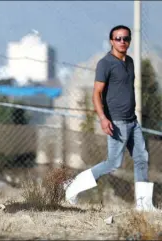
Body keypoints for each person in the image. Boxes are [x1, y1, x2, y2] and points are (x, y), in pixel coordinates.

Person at [64, 25, 159, 212]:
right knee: (113, 163)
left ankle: (144, 205)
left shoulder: (130, 62)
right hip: (116, 122)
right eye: (118, 38)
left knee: (141, 158)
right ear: (111, 41)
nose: (122, 42)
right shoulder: (105, 63)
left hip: (132, 121)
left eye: (126, 38)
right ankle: (73, 187)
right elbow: (96, 94)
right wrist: (103, 118)